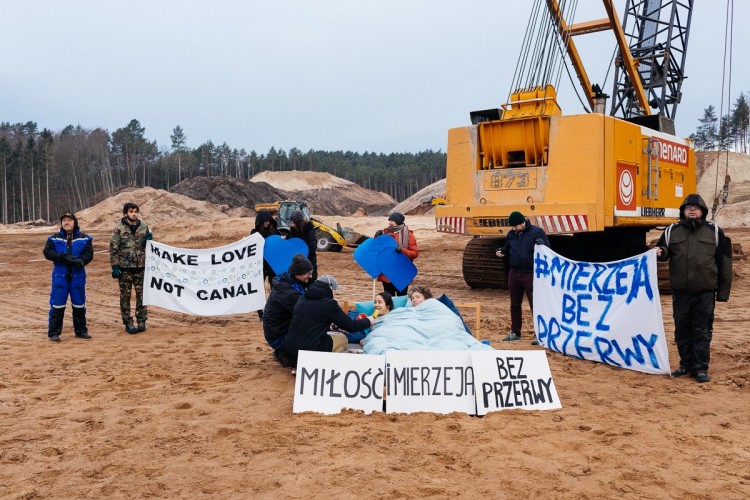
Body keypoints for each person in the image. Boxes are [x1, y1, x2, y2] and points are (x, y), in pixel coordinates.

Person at [655, 193, 732, 383]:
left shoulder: (714, 231)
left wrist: (722, 293)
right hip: (681, 293)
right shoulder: (672, 230)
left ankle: (700, 368)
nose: (691, 210)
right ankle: (685, 365)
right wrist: (660, 252)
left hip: (705, 293)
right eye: (688, 207)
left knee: (702, 331)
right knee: (682, 330)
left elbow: (725, 263)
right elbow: (663, 251)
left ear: (702, 211)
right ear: (682, 211)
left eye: (695, 208)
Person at [282, 274, 374, 367]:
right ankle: (324, 364)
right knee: (343, 339)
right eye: (335, 290)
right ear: (330, 288)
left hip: (290, 349)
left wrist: (332, 326)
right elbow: (351, 326)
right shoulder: (329, 304)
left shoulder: (302, 298)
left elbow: (311, 320)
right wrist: (369, 320)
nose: (335, 293)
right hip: (309, 350)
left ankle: (300, 364)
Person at [496, 211, 549, 344]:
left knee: (535, 305)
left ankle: (540, 334)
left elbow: (548, 249)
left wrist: (541, 243)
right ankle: (515, 332)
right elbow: (507, 248)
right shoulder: (511, 235)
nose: (513, 229)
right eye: (512, 227)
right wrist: (501, 251)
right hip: (514, 273)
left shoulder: (537, 232)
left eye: (515, 226)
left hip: (531, 274)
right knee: (514, 304)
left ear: (522, 223)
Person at [43, 211, 94, 341]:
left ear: (75, 222)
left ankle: (81, 331)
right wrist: (62, 257)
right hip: (60, 276)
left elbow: (89, 253)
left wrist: (82, 261)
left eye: (69, 220)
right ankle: (54, 333)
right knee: (57, 304)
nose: (66, 222)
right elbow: (47, 252)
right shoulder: (54, 238)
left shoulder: (84, 238)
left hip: (78, 276)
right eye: (64, 220)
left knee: (79, 304)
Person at [262, 254, 314, 367]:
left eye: (311, 273)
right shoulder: (287, 292)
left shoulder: (292, 282)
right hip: (278, 336)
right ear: (297, 273)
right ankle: (285, 354)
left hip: (280, 330)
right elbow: (308, 311)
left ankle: (288, 353)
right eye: (308, 273)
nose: (310, 276)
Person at [110, 202, 153, 335]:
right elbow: (113, 249)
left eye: (135, 211)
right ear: (125, 213)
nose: (134, 214)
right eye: (131, 211)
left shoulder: (144, 227)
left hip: (140, 267)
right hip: (125, 269)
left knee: (142, 296)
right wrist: (115, 266)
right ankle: (128, 322)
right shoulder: (119, 228)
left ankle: (141, 320)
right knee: (125, 296)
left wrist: (150, 240)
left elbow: (150, 248)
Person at [374, 212, 419, 296]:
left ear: (398, 222)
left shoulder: (408, 235)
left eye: (392, 220)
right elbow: (376, 247)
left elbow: (414, 254)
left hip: (402, 271)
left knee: (401, 296)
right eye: (389, 220)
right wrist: (376, 236)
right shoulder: (384, 233)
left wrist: (401, 250)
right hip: (386, 271)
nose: (390, 222)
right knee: (388, 296)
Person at [251, 210, 280, 321]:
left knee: (275, 288)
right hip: (260, 266)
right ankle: (261, 314)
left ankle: (272, 311)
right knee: (259, 289)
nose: (267, 223)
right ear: (260, 222)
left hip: (272, 266)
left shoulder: (275, 232)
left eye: (268, 221)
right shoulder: (254, 233)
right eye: (264, 221)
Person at [289, 209, 318, 280]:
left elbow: (312, 248)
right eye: (291, 222)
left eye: (294, 223)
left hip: (308, 264)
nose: (292, 224)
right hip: (298, 264)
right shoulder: (295, 231)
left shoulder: (309, 232)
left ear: (299, 223)